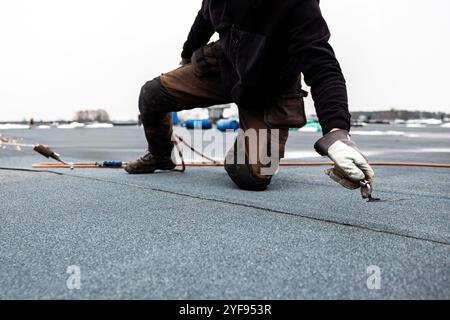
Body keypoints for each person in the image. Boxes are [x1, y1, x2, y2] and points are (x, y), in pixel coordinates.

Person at [125, 0, 375, 193]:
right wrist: (186, 55)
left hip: (269, 89)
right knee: (152, 94)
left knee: (250, 176)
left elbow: (323, 68)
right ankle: (159, 155)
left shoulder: (297, 5)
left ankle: (249, 141)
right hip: (226, 66)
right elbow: (204, 18)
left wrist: (336, 132)